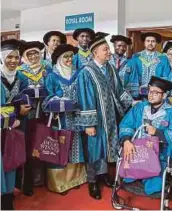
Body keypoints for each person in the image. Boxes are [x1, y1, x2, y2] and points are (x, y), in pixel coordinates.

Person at [77, 32, 133, 200]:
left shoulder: (109, 68)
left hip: (111, 116)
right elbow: (85, 99)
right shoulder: (86, 72)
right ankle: (92, 181)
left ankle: (103, 175)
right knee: (95, 149)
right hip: (96, 118)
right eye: (105, 50)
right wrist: (89, 124)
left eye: (108, 49)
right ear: (95, 53)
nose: (109, 52)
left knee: (108, 147)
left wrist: (132, 104)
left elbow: (119, 90)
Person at [119, 76, 172, 195]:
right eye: (150, 91)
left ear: (164, 95)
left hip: (160, 154)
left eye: (156, 92)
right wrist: (126, 141)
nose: (151, 95)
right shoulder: (140, 108)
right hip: (137, 149)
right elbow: (127, 124)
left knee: (154, 183)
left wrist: (158, 132)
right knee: (128, 175)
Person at [43, 44, 87, 194]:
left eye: (70, 56)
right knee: (61, 147)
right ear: (59, 59)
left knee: (76, 146)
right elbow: (47, 98)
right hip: (60, 119)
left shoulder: (79, 73)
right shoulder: (52, 76)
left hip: (76, 117)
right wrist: (56, 101)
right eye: (65, 57)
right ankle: (59, 183)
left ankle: (76, 179)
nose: (69, 59)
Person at [17, 41, 49, 196]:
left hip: (44, 115)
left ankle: (42, 180)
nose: (34, 56)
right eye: (29, 54)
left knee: (43, 146)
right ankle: (27, 182)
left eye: (36, 53)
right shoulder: (20, 71)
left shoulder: (47, 68)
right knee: (28, 149)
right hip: (27, 117)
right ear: (24, 56)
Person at [1, 39, 30, 210]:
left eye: (16, 57)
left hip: (15, 126)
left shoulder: (21, 78)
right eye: (9, 57)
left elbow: (26, 100)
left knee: (11, 159)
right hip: (1, 127)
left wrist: (24, 110)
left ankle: (8, 195)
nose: (13, 61)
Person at [127, 32, 171, 99]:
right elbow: (133, 76)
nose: (150, 43)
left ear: (156, 43)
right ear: (144, 42)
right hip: (139, 93)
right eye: (148, 41)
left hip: (156, 93)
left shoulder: (163, 58)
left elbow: (166, 76)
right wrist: (136, 92)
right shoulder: (136, 57)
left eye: (153, 41)